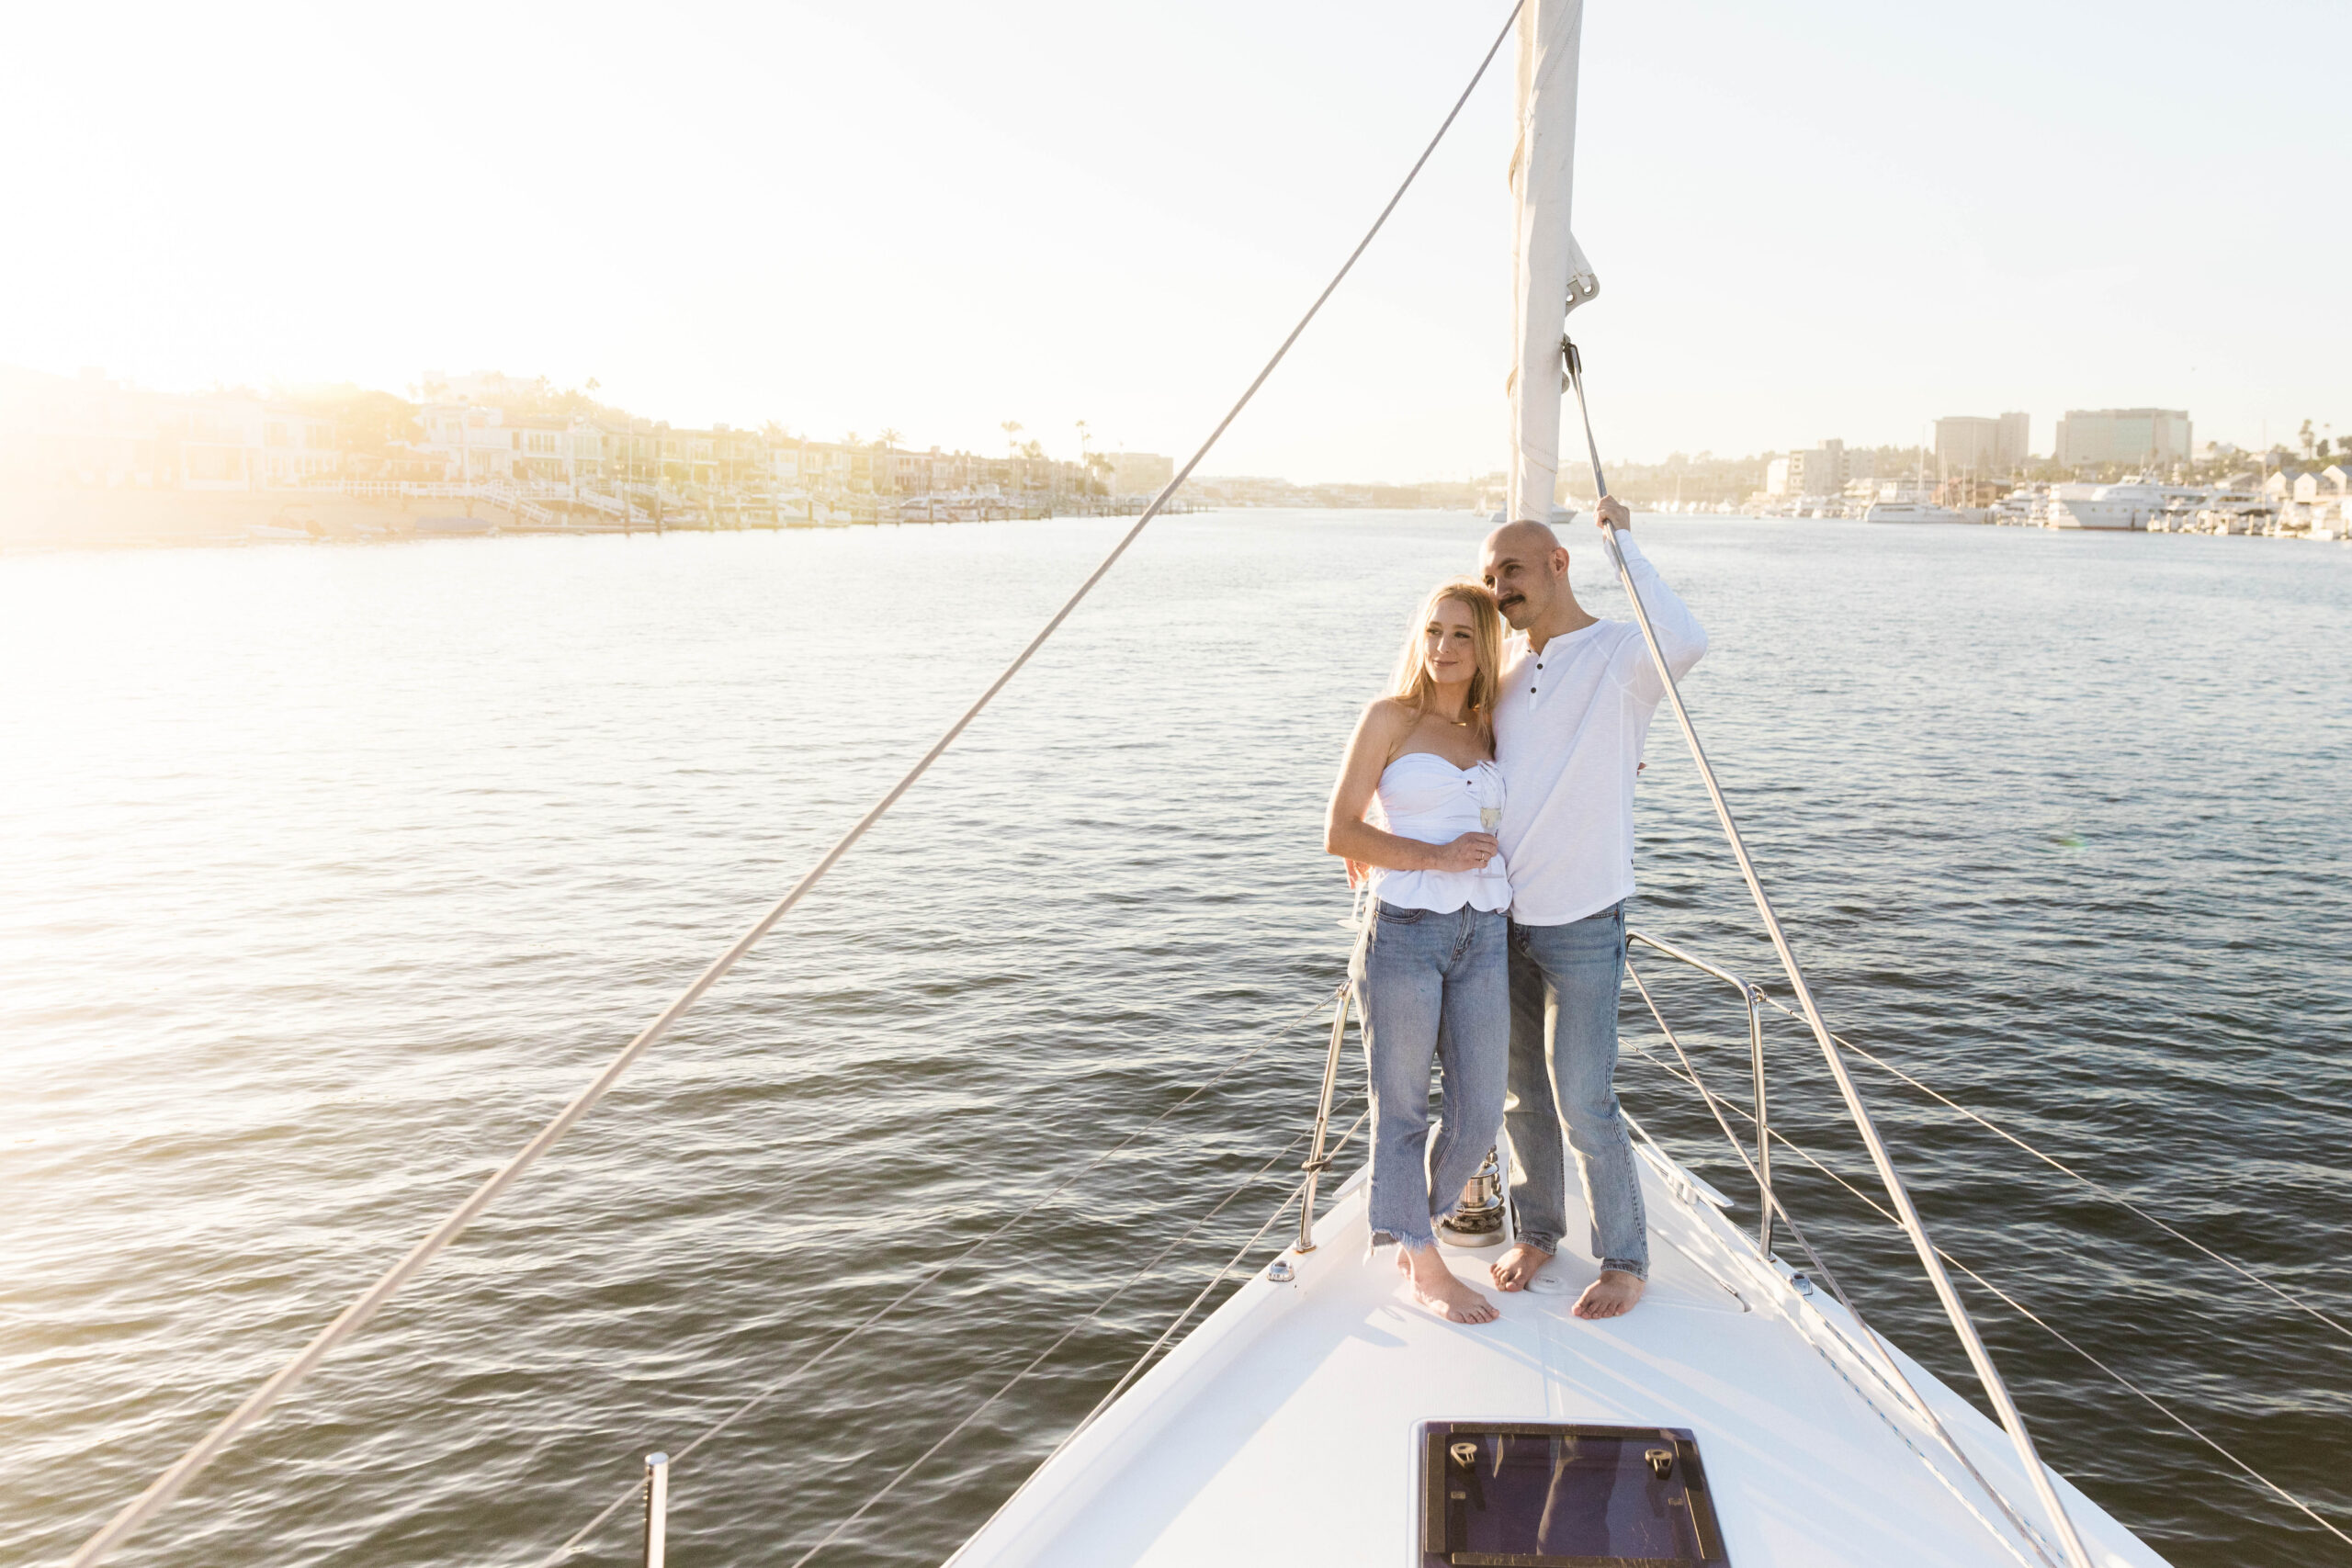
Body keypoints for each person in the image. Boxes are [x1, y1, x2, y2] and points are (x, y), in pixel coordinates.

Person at [1475, 497, 1705, 1319]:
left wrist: (1624, 543)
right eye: (1490, 575)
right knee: (1519, 1094)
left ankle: (1625, 1257)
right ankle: (1538, 1230)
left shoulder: (1618, 653)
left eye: (1513, 569)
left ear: (1558, 564)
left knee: (1582, 1095)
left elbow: (1687, 639)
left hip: (1582, 919)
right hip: (1500, 919)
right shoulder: (1500, 670)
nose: (1500, 586)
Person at [1324, 580, 1513, 1325]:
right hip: (1404, 929)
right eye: (1434, 630)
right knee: (1401, 1108)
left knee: (1477, 1111)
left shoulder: (1491, 730)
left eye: (1463, 634)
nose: (1443, 647)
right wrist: (1433, 856)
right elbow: (1340, 831)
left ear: (1485, 646)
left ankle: (1410, 1226)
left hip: (1485, 934)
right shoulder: (1389, 719)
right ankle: (1425, 1261)